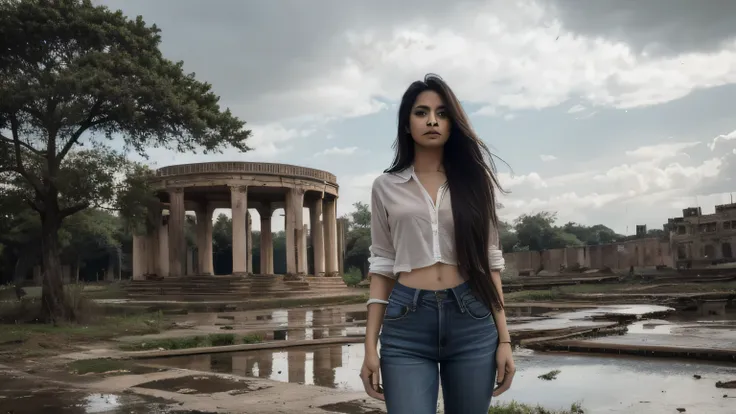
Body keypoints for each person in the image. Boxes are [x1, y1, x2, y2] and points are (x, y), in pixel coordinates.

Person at [360, 73, 515, 413]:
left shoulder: (475, 183)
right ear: (406, 124)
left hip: (472, 319)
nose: (432, 120)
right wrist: (370, 345)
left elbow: (491, 262)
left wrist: (504, 339)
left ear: (452, 123)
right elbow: (382, 264)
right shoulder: (385, 186)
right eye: (421, 112)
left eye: (442, 113)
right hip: (406, 323)